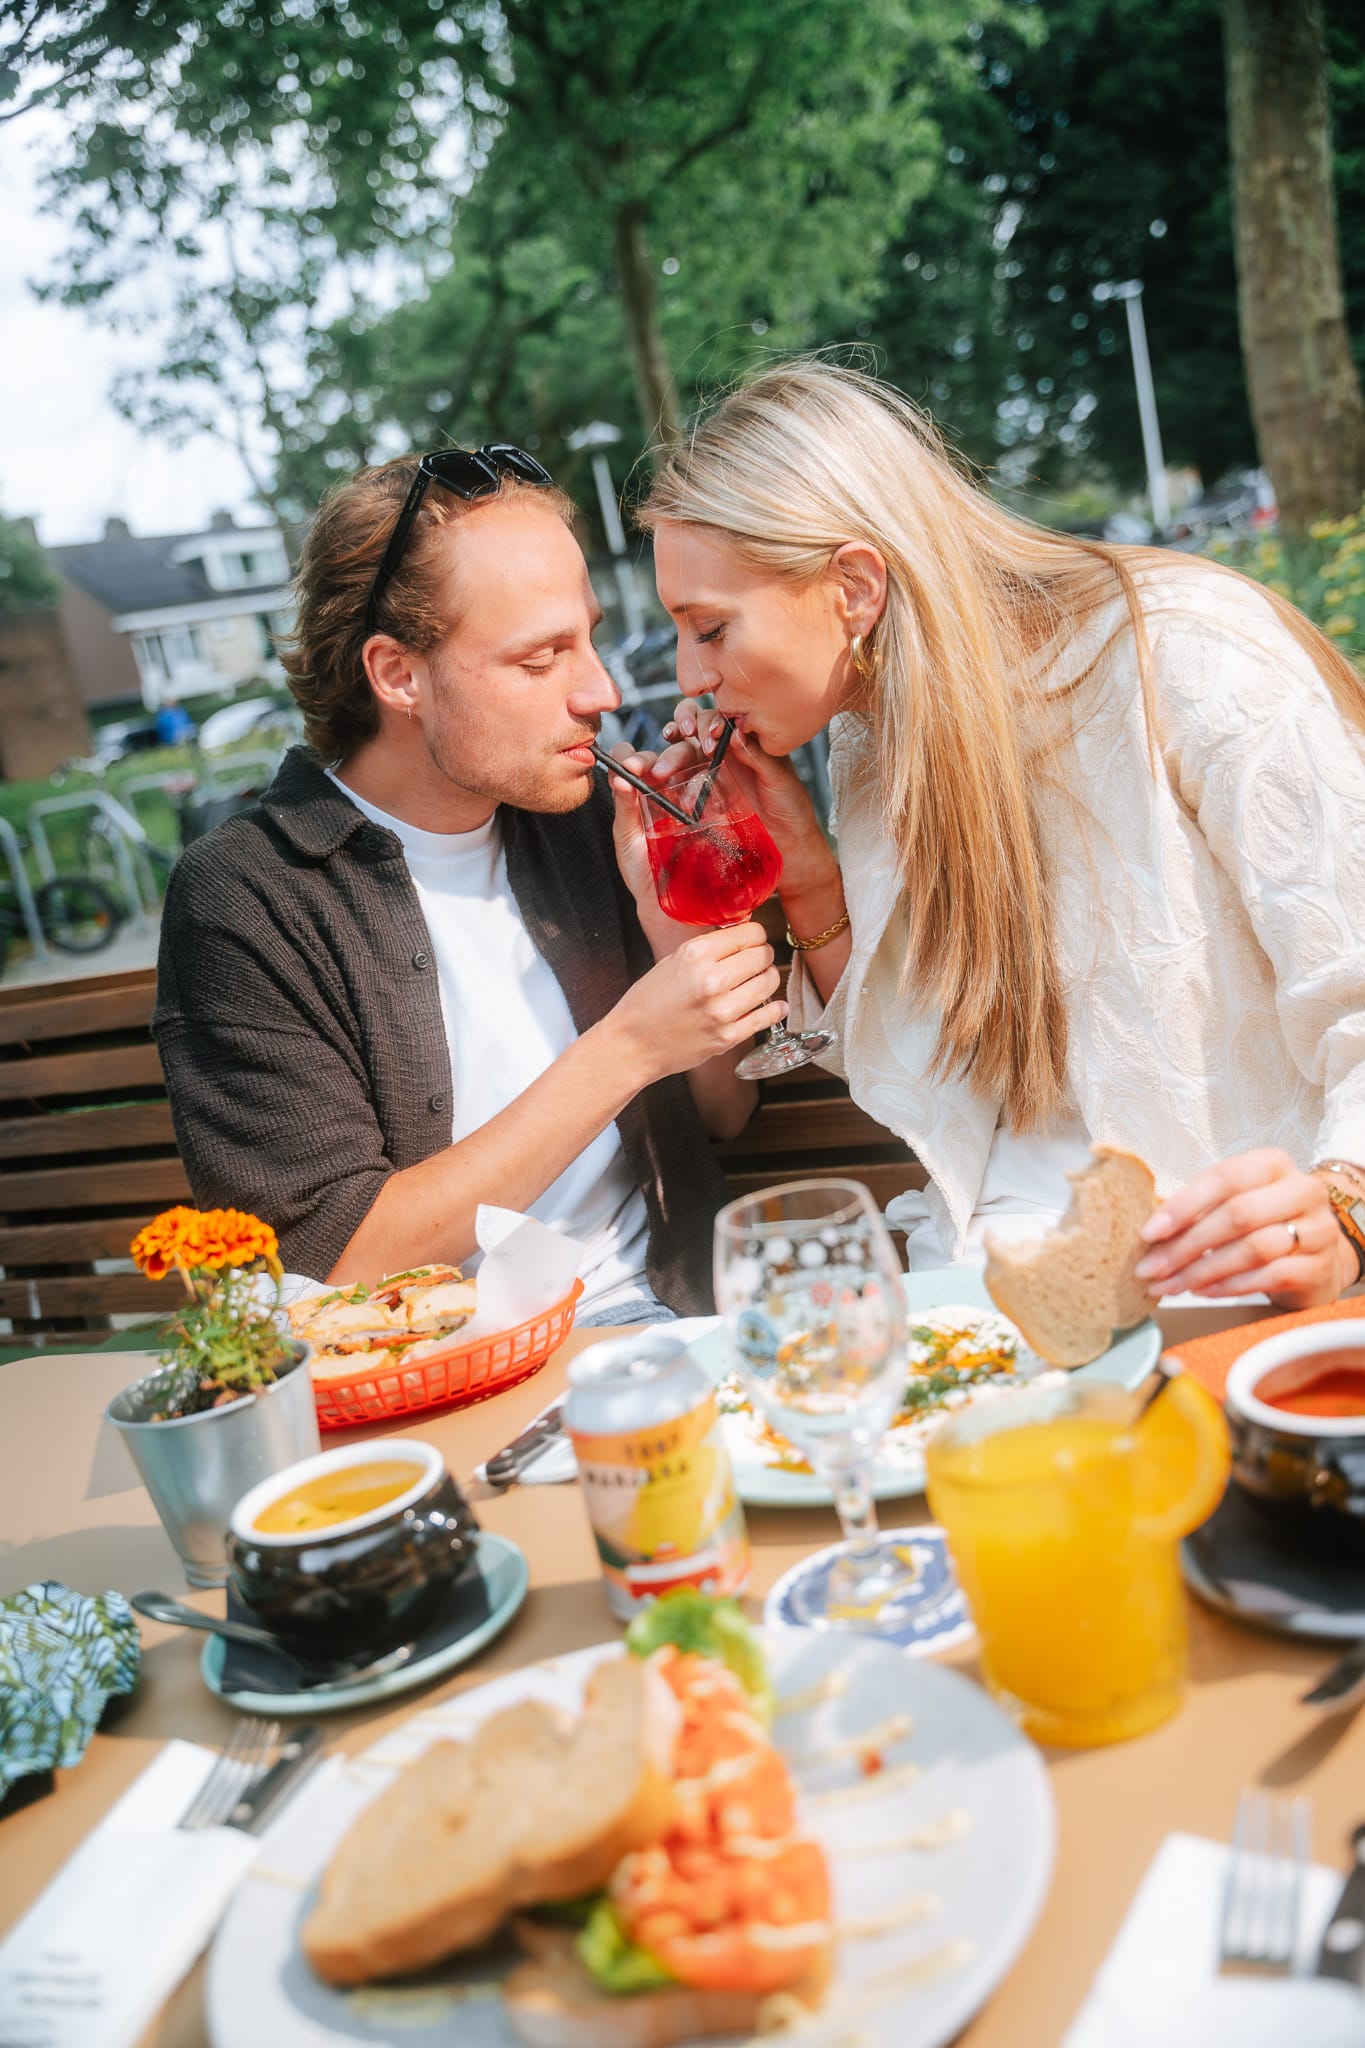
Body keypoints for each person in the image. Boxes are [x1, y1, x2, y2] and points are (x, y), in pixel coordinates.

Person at [639, 359, 1365, 1311]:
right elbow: (939, 1076)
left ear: (854, 586)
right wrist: (811, 878)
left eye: (711, 628)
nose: (692, 675)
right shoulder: (875, 733)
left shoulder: (1185, 652)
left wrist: (1344, 1210)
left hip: (1219, 1293)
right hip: (990, 1291)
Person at [153, 446, 787, 1320]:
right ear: (397, 675)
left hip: (679, 1317)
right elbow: (332, 1262)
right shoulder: (252, 897)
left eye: (589, 639)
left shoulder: (575, 822)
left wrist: (667, 920)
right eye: (539, 661)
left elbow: (724, 1114)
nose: (599, 690)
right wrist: (628, 1046)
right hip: (457, 1383)